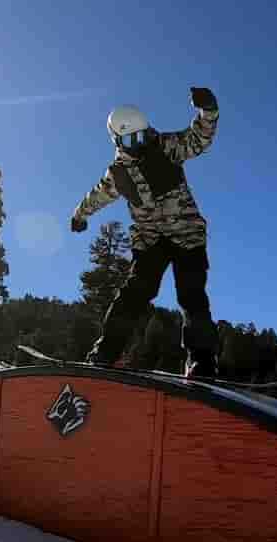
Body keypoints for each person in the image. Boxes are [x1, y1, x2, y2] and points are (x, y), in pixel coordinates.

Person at [70, 87, 221, 377]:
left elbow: (199, 139)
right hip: (150, 241)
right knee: (134, 293)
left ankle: (202, 360)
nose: (137, 144)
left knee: (191, 295)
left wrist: (209, 111)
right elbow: (97, 196)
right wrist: (79, 215)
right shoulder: (118, 173)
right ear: (117, 140)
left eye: (141, 136)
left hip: (187, 235)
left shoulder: (164, 146)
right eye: (130, 140)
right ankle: (106, 352)